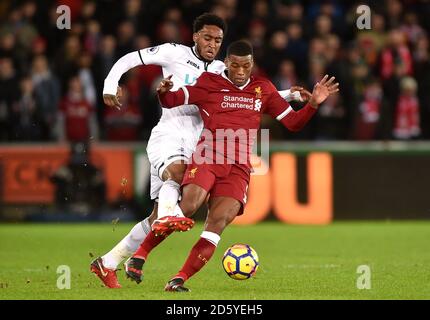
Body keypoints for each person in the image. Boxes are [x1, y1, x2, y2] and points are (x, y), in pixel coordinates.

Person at [91, 13, 305, 288]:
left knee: (157, 218)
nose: (212, 44)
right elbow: (130, 58)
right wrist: (111, 84)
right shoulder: (173, 52)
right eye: (207, 37)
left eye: (217, 40)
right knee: (177, 177)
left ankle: (107, 262)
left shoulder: (220, 69)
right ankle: (168, 218)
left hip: (196, 141)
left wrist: (288, 95)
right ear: (194, 36)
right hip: (169, 133)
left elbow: (245, 92)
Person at [124, 40, 339, 292]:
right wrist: (164, 91)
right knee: (189, 205)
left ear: (252, 65)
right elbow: (173, 100)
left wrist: (313, 104)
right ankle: (139, 255)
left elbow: (293, 123)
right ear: (226, 63)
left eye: (245, 66)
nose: (239, 71)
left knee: (217, 223)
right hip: (208, 155)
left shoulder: (263, 89)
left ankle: (179, 279)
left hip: (238, 167)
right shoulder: (209, 82)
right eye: (235, 65)